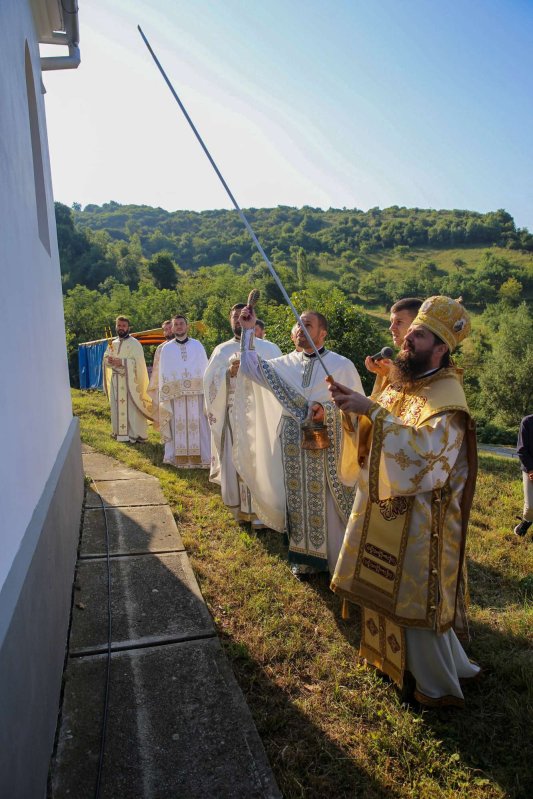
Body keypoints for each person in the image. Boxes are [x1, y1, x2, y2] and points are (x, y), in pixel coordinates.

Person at [329, 295, 480, 707]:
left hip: (421, 519)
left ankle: (432, 682)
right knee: (382, 584)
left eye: (419, 334)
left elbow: (426, 456)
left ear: (441, 347)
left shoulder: (447, 397)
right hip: (387, 507)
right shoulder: (406, 381)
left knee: (413, 597)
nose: (407, 340)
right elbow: (376, 425)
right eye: (409, 332)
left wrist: (371, 413)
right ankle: (387, 659)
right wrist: (353, 411)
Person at [236, 307, 364, 576]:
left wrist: (326, 411)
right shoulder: (284, 365)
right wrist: (248, 330)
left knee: (328, 500)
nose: (299, 329)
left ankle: (335, 559)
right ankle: (305, 559)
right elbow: (250, 367)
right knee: (298, 497)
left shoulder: (341, 366)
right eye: (297, 325)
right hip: (293, 442)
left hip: (330, 444)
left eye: (306, 324)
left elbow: (357, 411)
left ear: (322, 333)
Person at [204, 303, 282, 523]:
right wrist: (227, 373)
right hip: (233, 414)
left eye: (243, 315)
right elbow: (208, 382)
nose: (239, 319)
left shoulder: (269, 348)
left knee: (263, 459)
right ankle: (241, 509)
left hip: (262, 416)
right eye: (234, 316)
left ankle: (265, 510)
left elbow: (280, 381)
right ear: (230, 320)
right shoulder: (221, 350)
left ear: (253, 318)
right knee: (236, 458)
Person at [158, 315, 211, 469]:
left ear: (187, 327)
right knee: (176, 424)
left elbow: (204, 368)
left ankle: (203, 459)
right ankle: (176, 459)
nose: (179, 327)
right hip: (176, 395)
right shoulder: (166, 349)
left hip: (197, 394)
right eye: (176, 324)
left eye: (182, 324)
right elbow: (164, 373)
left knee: (200, 425)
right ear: (172, 328)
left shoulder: (197, 345)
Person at [103, 316, 152, 443]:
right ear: (116, 327)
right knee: (117, 407)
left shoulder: (135, 344)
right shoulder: (112, 343)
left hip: (130, 383)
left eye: (124, 326)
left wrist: (122, 362)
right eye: (119, 325)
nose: (121, 328)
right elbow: (105, 359)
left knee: (132, 409)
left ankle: (135, 434)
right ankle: (119, 432)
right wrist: (109, 360)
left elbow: (139, 364)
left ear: (128, 328)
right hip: (116, 381)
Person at [365, 297, 423, 394]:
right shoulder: (404, 356)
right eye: (391, 322)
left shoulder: (426, 361)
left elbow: (413, 399)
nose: (391, 328)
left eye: (399, 322)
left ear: (416, 325)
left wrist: (390, 372)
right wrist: (387, 372)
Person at [147, 319, 174, 431]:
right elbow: (156, 369)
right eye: (165, 330)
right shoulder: (160, 348)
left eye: (169, 328)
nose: (168, 331)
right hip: (164, 385)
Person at [514, 414, 533, 536]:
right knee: (531, 506)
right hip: (530, 469)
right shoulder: (527, 422)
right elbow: (521, 450)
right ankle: (526, 522)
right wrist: (531, 470)